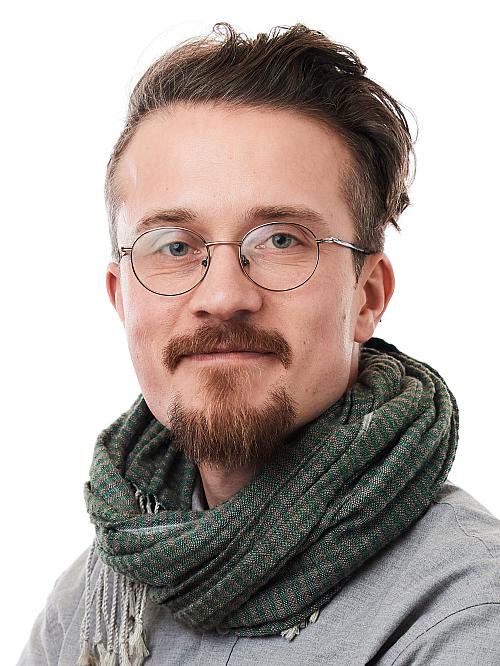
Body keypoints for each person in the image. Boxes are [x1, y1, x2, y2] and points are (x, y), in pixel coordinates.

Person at [19, 22, 500, 666]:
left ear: (367, 296)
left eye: (280, 240)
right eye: (175, 246)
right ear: (122, 298)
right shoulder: (86, 609)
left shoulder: (467, 612)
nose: (223, 295)